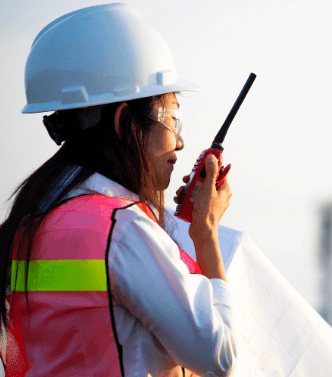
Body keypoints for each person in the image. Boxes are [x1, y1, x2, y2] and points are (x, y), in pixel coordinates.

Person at [0, 4, 236, 376]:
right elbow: (219, 356)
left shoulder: (23, 226)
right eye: (172, 118)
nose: (180, 142)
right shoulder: (122, 230)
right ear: (125, 120)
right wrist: (205, 235)